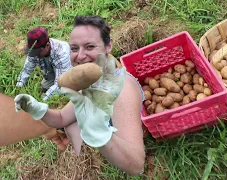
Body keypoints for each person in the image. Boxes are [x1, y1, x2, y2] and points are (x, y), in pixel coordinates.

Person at [13, 15, 146, 176]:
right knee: (70, 124)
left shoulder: (122, 90)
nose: (80, 56)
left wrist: (100, 134)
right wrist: (38, 109)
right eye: (74, 49)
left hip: (122, 142)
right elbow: (62, 118)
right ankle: (89, 158)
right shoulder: (93, 80)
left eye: (90, 47)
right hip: (105, 128)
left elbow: (137, 166)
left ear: (108, 46)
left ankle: (106, 151)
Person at [16, 26, 72, 101]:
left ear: (47, 46)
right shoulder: (35, 50)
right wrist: (18, 87)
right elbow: (27, 69)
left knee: (65, 92)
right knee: (45, 86)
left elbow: (60, 84)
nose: (35, 55)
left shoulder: (62, 53)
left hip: (69, 71)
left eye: (37, 52)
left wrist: (42, 100)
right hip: (52, 70)